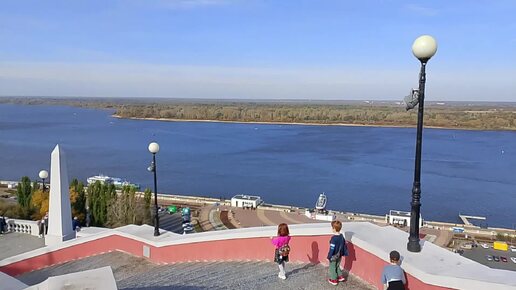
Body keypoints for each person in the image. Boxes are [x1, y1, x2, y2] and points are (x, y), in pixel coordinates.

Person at [327, 220, 348, 286]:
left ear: (334, 229)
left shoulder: (333, 238)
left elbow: (332, 249)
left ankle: (333, 279)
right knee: (337, 265)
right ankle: (340, 276)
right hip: (340, 255)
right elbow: (344, 245)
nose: (332, 229)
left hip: (334, 256)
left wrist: (329, 256)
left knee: (332, 267)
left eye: (332, 227)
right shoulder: (341, 236)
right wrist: (343, 253)